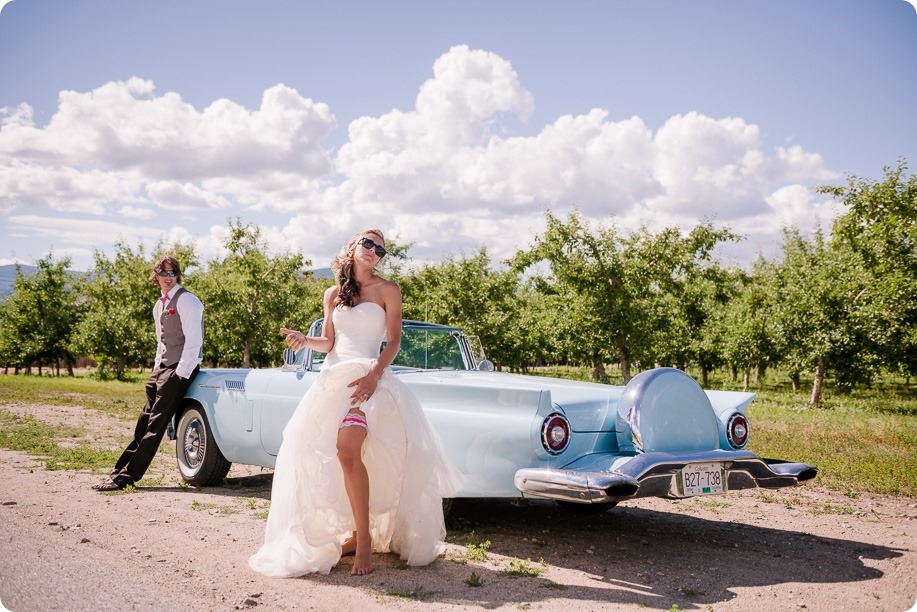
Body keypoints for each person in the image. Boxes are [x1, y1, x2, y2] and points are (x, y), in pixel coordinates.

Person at [249, 229, 464, 577]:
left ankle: (365, 540)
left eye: (380, 248)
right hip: (332, 382)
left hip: (368, 381)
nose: (374, 251)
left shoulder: (388, 289)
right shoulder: (333, 293)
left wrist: (373, 376)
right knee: (331, 459)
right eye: (368, 243)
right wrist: (306, 341)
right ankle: (351, 533)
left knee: (347, 450)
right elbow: (330, 343)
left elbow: (393, 342)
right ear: (352, 247)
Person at [91, 255, 204, 491]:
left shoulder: (187, 301)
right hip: (162, 368)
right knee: (143, 423)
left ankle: (126, 478)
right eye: (163, 273)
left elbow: (194, 342)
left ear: (178, 275)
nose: (168, 277)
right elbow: (160, 342)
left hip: (179, 370)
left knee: (156, 425)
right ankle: (118, 470)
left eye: (172, 273)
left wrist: (180, 374)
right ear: (156, 276)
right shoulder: (159, 304)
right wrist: (156, 369)